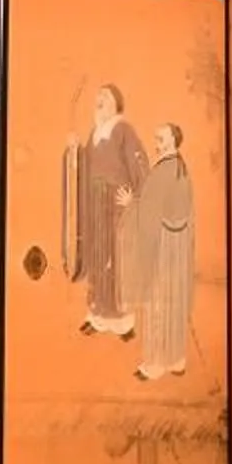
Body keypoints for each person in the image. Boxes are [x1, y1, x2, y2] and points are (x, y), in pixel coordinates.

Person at [78, 82, 146, 337]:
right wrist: (74, 150)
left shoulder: (123, 129)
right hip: (96, 203)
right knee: (98, 256)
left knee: (118, 260)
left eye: (104, 97)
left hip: (117, 204)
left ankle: (123, 321)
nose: (99, 100)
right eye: (97, 97)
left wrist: (135, 198)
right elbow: (83, 165)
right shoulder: (94, 133)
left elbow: (138, 164)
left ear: (117, 103)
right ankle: (97, 315)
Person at [135, 123, 194, 381]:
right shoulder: (178, 166)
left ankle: (157, 362)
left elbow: (151, 205)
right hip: (176, 243)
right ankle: (176, 359)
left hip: (163, 242)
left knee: (159, 299)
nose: (156, 139)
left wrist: (130, 205)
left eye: (161, 136)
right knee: (174, 298)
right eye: (156, 135)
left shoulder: (168, 168)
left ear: (172, 140)